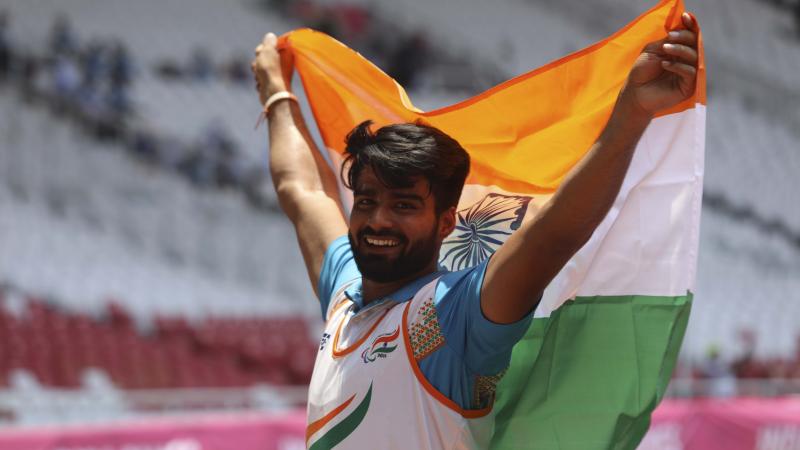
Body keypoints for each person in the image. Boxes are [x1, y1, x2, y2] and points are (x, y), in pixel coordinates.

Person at [252, 12, 699, 449]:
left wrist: (630, 116)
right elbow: (303, 189)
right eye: (366, 201)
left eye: (404, 205)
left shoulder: (450, 313)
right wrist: (276, 93)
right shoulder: (344, 294)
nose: (379, 219)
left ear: (447, 221)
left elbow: (551, 235)